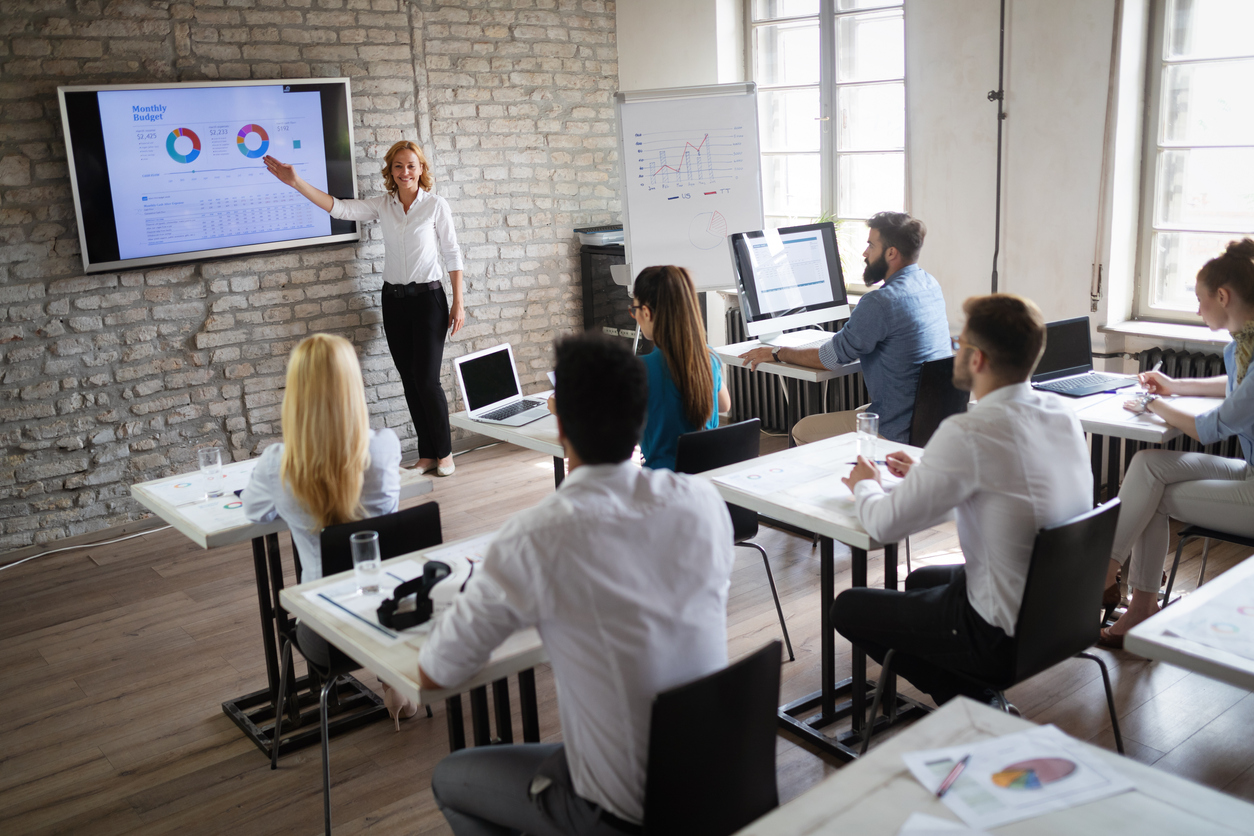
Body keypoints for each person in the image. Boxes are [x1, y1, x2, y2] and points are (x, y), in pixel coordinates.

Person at [420, 333, 735, 835]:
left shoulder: (536, 537)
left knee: (449, 779)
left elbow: (437, 673)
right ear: (642, 417)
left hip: (623, 810)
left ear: (560, 425)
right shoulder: (702, 501)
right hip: (717, 783)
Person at [832, 294, 1091, 705]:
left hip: (999, 636)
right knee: (918, 582)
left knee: (847, 607)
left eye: (959, 343)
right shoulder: (1062, 414)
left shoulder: (970, 431)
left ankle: (973, 702)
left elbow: (882, 525)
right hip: (1062, 613)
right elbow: (1009, 495)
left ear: (978, 360)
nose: (954, 349)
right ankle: (973, 697)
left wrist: (865, 483)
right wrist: (929, 476)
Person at [241, 334, 413, 726]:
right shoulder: (385, 448)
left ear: (296, 393)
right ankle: (390, 675)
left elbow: (254, 511)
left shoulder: (277, 465)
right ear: (354, 386)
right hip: (397, 617)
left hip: (328, 637)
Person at [264, 140, 464, 477]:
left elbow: (453, 253)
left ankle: (445, 454)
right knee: (409, 379)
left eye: (411, 166)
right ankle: (427, 453)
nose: (405, 172)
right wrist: (296, 182)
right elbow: (339, 208)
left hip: (429, 300)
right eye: (398, 166)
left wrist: (458, 301)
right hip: (393, 301)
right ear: (391, 170)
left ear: (422, 170)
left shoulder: (435, 206)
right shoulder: (383, 205)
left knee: (428, 380)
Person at [1098, 239, 1254, 649]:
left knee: (1153, 494)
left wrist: (1155, 403)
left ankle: (1129, 598)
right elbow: (1235, 388)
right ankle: (1114, 575)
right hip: (1249, 471)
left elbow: (1212, 427)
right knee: (1149, 465)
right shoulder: (1243, 344)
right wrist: (1174, 385)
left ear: (1224, 296)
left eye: (1201, 300)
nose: (1198, 309)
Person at [739, 211, 950, 444]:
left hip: (895, 428)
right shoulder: (930, 284)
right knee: (862, 409)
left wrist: (777, 353)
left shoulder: (880, 302)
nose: (864, 253)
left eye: (871, 245)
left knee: (802, 429)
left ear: (891, 252)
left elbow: (828, 360)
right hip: (930, 420)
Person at [630, 265, 731, 471]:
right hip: (706, 482)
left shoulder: (640, 370)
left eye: (635, 310)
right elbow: (724, 406)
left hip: (661, 487)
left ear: (646, 313)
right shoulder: (709, 357)